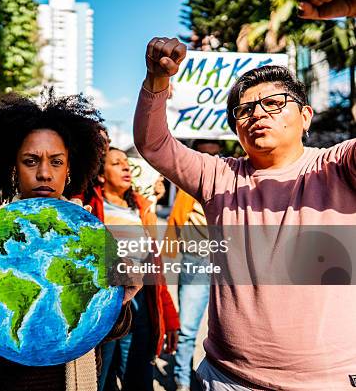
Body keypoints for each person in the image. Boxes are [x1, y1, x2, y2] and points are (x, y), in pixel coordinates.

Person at [133, 35, 356, 390]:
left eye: (273, 102)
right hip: (227, 379)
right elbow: (154, 144)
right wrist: (157, 81)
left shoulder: (338, 166)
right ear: (236, 128)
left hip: (327, 382)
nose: (258, 114)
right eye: (245, 110)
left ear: (305, 116)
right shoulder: (218, 176)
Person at [0, 90, 141, 391]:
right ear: (13, 168)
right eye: (31, 161)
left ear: (70, 168)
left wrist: (122, 300)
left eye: (56, 162)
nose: (44, 173)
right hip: (5, 382)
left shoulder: (91, 234)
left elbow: (107, 328)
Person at [88, 147, 179, 391]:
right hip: (104, 314)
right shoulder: (88, 208)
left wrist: (170, 318)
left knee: (138, 379)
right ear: (100, 175)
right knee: (99, 379)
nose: (126, 168)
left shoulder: (141, 208)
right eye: (117, 163)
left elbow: (155, 272)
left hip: (139, 314)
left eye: (127, 163)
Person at [163, 140, 221, 391]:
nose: (209, 159)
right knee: (187, 329)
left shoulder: (231, 185)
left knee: (231, 331)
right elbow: (175, 220)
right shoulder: (187, 188)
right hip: (196, 261)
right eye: (203, 154)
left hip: (228, 262)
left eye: (214, 154)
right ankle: (182, 380)